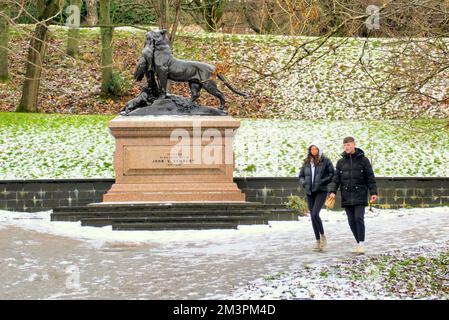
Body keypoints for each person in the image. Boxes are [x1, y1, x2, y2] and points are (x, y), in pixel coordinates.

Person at [328, 137, 378, 255]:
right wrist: (332, 191)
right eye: (345, 145)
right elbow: (336, 179)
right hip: (346, 194)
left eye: (349, 145)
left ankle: (361, 244)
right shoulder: (341, 162)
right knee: (351, 221)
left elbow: (370, 177)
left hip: (360, 194)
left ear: (354, 145)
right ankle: (358, 242)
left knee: (358, 218)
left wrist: (374, 192)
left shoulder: (364, 160)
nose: (347, 147)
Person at [299, 143, 335, 252]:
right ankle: (317, 241)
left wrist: (322, 182)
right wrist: (304, 183)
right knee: (312, 216)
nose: (313, 151)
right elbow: (301, 176)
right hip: (310, 191)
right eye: (311, 149)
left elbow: (332, 174)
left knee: (315, 213)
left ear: (319, 149)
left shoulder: (325, 161)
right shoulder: (306, 161)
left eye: (315, 149)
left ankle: (323, 236)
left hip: (321, 190)